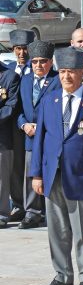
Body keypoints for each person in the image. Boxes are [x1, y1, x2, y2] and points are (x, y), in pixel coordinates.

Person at [30, 47, 83, 285]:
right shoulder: (49, 101)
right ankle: (62, 274)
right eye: (63, 71)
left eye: (72, 72)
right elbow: (40, 140)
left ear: (81, 72)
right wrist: (36, 174)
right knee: (57, 230)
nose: (67, 77)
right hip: (53, 175)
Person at [16, 40, 61, 229]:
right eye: (34, 61)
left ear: (50, 62)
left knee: (50, 173)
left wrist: (42, 125)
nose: (38, 65)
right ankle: (32, 212)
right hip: (30, 136)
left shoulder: (58, 79)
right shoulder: (25, 81)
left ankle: (52, 211)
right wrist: (24, 124)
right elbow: (18, 109)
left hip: (50, 135)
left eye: (43, 61)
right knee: (30, 173)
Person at [7, 30, 34, 224]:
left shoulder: (37, 69)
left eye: (25, 49)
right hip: (10, 127)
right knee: (15, 167)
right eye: (18, 49)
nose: (22, 53)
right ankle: (18, 204)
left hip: (30, 125)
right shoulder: (8, 70)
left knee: (31, 167)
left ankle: (34, 207)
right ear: (13, 49)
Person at [0, 58, 20, 228]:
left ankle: (1, 214)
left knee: (1, 178)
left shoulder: (9, 76)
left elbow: (11, 105)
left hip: (2, 136)